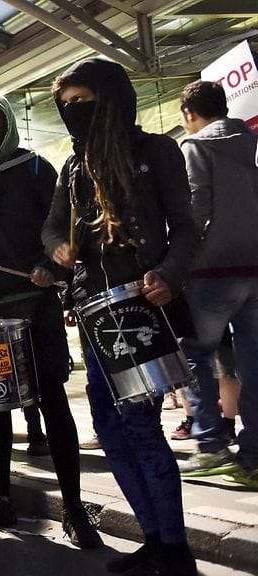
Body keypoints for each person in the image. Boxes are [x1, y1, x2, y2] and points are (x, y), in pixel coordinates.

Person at [43, 58, 198, 574]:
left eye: (81, 102)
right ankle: (154, 538)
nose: (72, 115)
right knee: (110, 427)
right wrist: (61, 248)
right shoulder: (73, 166)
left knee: (142, 426)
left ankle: (174, 548)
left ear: (111, 98)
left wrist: (169, 274)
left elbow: (186, 226)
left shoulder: (157, 150)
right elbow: (49, 231)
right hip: (94, 313)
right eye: (64, 107)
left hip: (143, 308)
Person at [0, 90, 101, 547]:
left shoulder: (33, 169)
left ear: (6, 122)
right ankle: (0, 499)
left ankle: (73, 507)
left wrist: (51, 269)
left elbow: (59, 229)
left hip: (31, 305)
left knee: (53, 402)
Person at [176, 79, 258, 487]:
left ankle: (210, 444)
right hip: (255, 270)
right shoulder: (250, 143)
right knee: (253, 365)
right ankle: (255, 455)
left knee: (194, 354)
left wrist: (179, 261)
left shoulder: (195, 147)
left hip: (210, 272)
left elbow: (195, 209)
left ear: (189, 114)